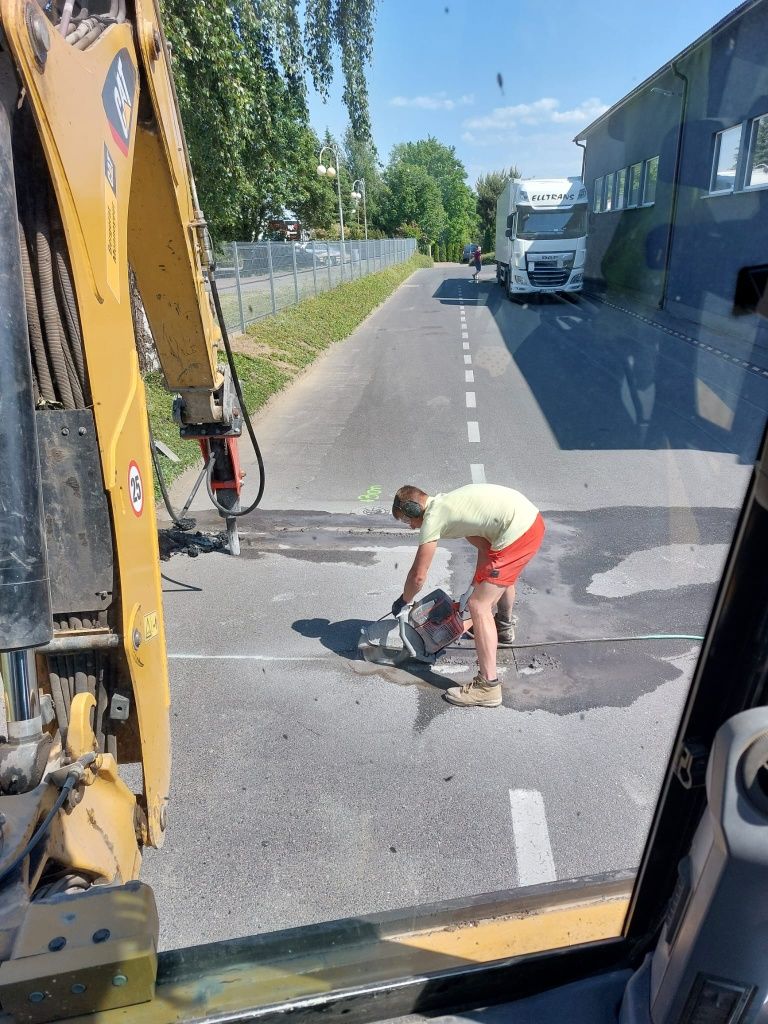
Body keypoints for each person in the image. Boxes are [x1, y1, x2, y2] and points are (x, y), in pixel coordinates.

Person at [391, 483, 545, 708]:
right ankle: (503, 626)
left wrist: (404, 600)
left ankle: (487, 687)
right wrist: (476, 585)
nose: (411, 527)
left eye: (407, 520)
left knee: (479, 606)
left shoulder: (433, 518)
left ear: (414, 510)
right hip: (528, 522)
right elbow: (486, 549)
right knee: (497, 580)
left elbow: (418, 576)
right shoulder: (453, 508)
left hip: (519, 531)